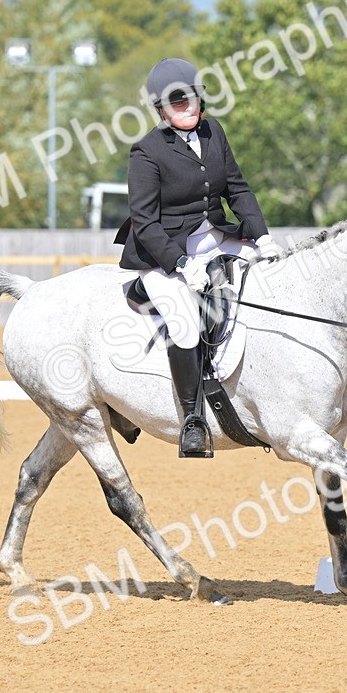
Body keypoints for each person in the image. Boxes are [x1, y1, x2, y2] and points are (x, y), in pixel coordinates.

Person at [115, 58, 281, 457]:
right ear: (160, 109)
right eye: (176, 101)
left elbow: (237, 189)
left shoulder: (213, 132)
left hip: (214, 238)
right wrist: (181, 264)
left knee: (274, 278)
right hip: (162, 252)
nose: (187, 106)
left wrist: (263, 237)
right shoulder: (147, 152)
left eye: (190, 97)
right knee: (186, 324)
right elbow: (145, 221)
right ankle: (192, 420)